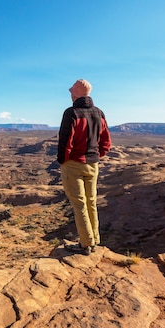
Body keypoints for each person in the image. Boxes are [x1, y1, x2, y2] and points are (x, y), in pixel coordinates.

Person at [57, 79, 112, 255]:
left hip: (73, 163)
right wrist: (96, 155)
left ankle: (85, 244)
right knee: (91, 202)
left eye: (72, 90)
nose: (70, 92)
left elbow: (66, 140)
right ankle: (94, 240)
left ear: (77, 93)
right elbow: (106, 141)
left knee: (79, 204)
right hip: (92, 164)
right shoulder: (99, 112)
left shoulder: (71, 112)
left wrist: (63, 160)